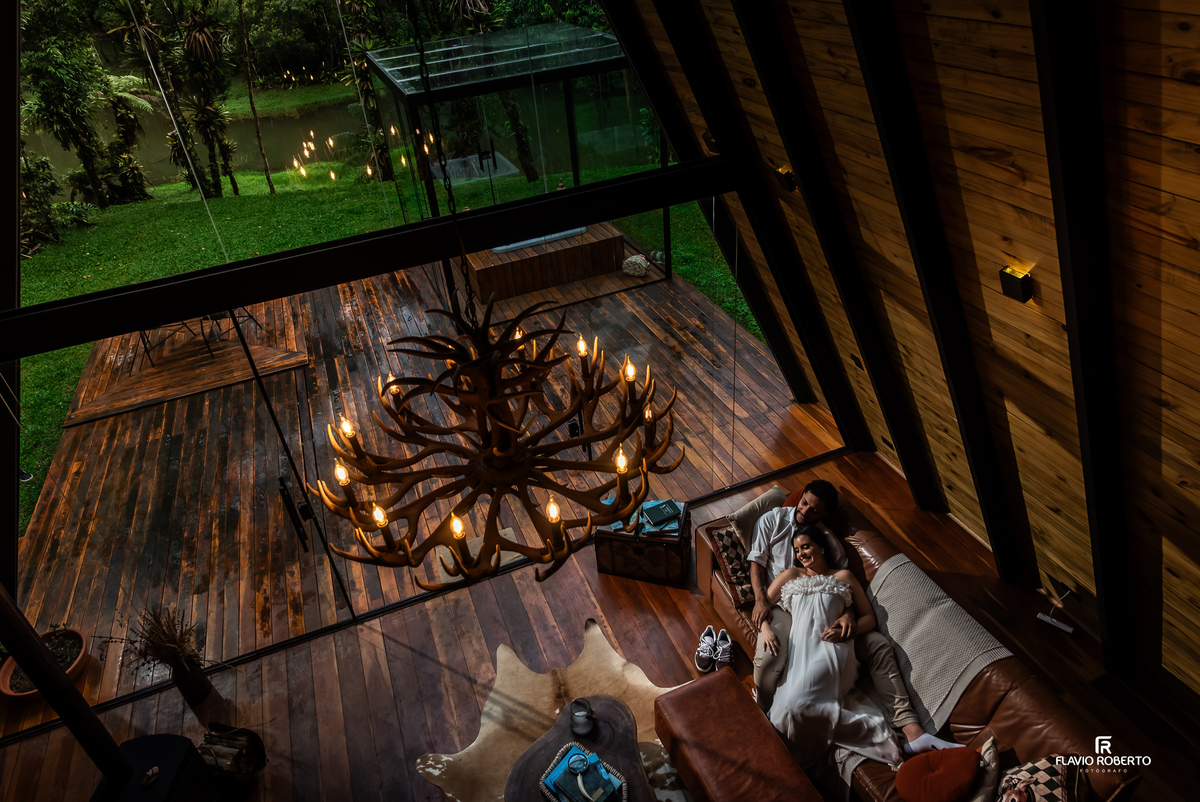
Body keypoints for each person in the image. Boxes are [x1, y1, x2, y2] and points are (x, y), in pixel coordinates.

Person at [747, 479, 961, 755]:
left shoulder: (837, 558)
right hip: (788, 616)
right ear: (799, 497)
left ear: (822, 541)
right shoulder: (777, 538)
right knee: (777, 674)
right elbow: (757, 570)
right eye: (803, 503)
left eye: (814, 511)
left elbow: (849, 599)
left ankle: (912, 731)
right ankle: (765, 711)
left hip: (834, 639)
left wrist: (849, 620)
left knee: (878, 646)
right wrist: (763, 616)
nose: (801, 555)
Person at [761, 525, 902, 769]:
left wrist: (851, 623)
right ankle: (795, 769)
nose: (802, 553)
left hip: (832, 649)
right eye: (797, 549)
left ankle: (886, 743)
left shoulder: (843, 577)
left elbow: (869, 617)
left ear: (822, 548)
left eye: (806, 546)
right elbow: (761, 605)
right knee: (780, 713)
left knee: (798, 706)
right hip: (800, 652)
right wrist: (765, 629)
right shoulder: (791, 575)